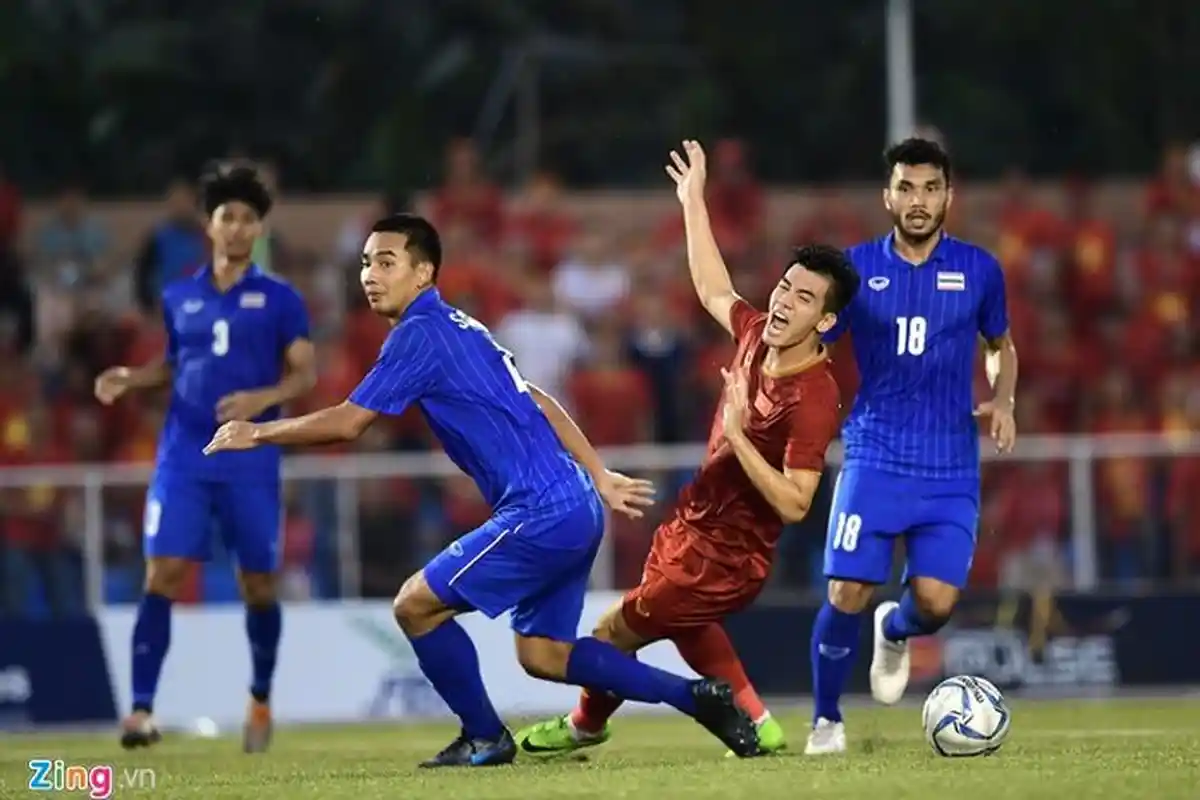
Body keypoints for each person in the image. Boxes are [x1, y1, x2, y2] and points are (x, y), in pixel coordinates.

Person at [203, 212, 760, 767]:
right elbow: (537, 398)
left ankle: (483, 736)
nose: (371, 274)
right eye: (367, 263)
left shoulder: (418, 335)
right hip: (575, 505)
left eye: (387, 262)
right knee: (544, 654)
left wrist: (259, 431)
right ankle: (696, 697)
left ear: (423, 274)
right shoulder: (462, 326)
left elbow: (351, 422)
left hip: (540, 509)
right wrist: (598, 475)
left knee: (415, 606)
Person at [515, 140, 857, 757]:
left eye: (805, 299)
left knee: (610, 634)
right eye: (785, 287)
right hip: (694, 527)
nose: (783, 301)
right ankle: (760, 722)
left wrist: (736, 438)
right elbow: (711, 287)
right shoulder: (757, 334)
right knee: (688, 628)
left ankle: (583, 726)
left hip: (727, 556)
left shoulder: (812, 397)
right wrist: (691, 201)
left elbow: (797, 503)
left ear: (826, 322)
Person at [805, 137, 1018, 755]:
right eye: (906, 188)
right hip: (874, 452)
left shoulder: (980, 270)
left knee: (935, 603)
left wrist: (1003, 400)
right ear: (887, 196)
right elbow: (813, 341)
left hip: (950, 462)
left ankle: (895, 630)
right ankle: (826, 721)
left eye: (930, 188)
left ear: (949, 195)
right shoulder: (853, 271)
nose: (918, 200)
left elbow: (999, 346)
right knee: (846, 590)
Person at [94, 162, 316, 752]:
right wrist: (133, 379)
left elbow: (305, 374)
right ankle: (140, 712)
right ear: (208, 224)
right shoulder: (179, 295)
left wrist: (262, 398)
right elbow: (176, 366)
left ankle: (260, 696)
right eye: (227, 217)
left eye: (248, 218)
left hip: (249, 457)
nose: (237, 228)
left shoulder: (280, 300)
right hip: (184, 456)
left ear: (259, 227)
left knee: (258, 585)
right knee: (161, 573)